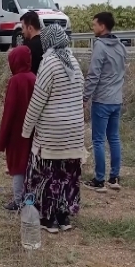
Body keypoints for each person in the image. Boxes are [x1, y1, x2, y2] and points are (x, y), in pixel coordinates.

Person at [21, 23, 85, 233]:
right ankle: (64, 217)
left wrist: (26, 130)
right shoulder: (73, 62)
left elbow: (37, 100)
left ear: (47, 41)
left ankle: (48, 219)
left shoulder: (48, 63)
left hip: (52, 132)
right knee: (68, 176)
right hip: (74, 133)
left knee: (48, 175)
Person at [83, 12, 127, 192]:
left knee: (99, 140)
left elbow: (93, 75)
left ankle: (99, 180)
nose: (93, 28)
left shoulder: (100, 46)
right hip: (116, 99)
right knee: (114, 138)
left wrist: (84, 97)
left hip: (102, 100)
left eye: (94, 25)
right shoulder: (121, 46)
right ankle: (114, 177)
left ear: (102, 26)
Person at [0, 46, 36, 211]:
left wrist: (2, 141)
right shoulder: (35, 77)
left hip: (17, 131)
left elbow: (9, 111)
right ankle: (30, 198)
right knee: (30, 163)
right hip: (34, 129)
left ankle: (18, 201)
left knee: (17, 165)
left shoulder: (15, 81)